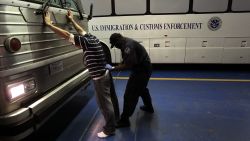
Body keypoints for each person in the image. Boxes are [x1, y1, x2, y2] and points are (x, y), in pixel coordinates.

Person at [43, 10, 116, 138]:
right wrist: (71, 19)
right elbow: (80, 29)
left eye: (75, 43)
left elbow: (67, 35)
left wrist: (49, 25)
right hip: (102, 75)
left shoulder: (86, 42)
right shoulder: (91, 37)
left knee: (104, 104)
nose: (75, 45)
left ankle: (110, 129)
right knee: (103, 103)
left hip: (100, 78)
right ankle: (111, 125)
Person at [107, 33, 154, 128]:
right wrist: (119, 65)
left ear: (118, 40)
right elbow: (125, 60)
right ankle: (149, 107)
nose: (116, 47)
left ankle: (124, 120)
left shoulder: (128, 46)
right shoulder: (125, 43)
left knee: (130, 94)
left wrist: (113, 68)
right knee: (142, 89)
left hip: (141, 70)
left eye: (115, 45)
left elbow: (128, 64)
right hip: (143, 68)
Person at [102, 44, 120, 122]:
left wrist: (113, 68)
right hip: (105, 73)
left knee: (108, 97)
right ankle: (115, 116)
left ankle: (113, 119)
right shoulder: (101, 45)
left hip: (102, 75)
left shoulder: (98, 46)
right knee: (111, 95)